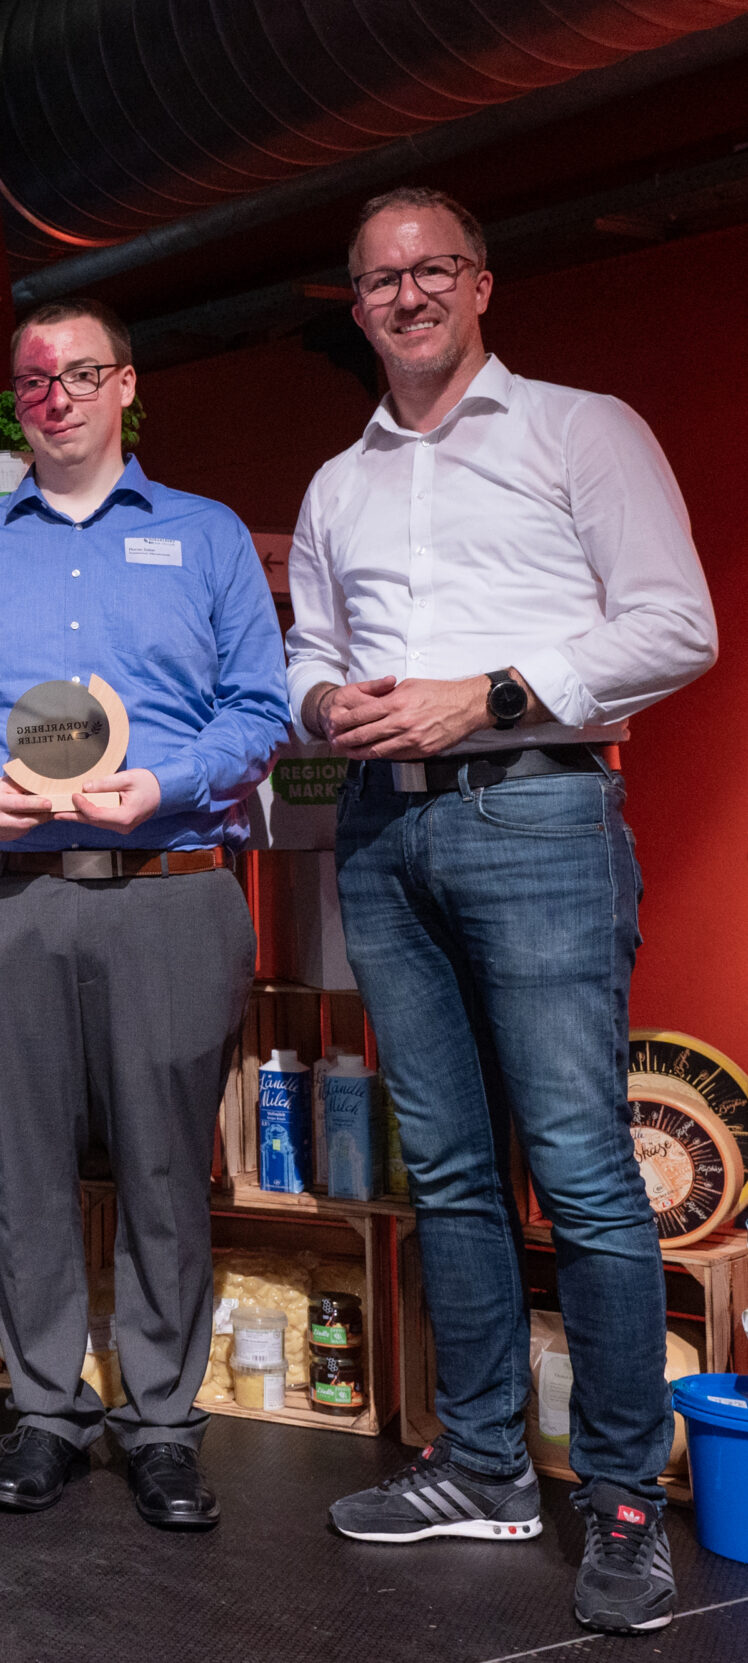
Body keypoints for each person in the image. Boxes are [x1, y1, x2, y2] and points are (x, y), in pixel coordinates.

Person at [291, 188, 716, 1636]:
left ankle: (622, 1497)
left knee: (584, 1170)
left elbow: (676, 622)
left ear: (482, 284)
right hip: (380, 829)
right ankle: (482, 1463)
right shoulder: (338, 484)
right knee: (450, 1170)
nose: (406, 295)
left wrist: (489, 694)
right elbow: (306, 648)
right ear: (356, 306)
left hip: (538, 810)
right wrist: (320, 703)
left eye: (433, 270)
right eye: (379, 280)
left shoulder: (580, 429)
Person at [0, 297, 287, 1533]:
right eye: (31, 381)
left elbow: (260, 709)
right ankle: (47, 1411)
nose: (53, 397)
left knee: (166, 1168)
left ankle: (161, 1424)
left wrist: (164, 782)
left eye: (77, 374)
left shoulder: (206, 536)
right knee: (20, 1168)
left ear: (125, 385)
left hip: (167, 887)